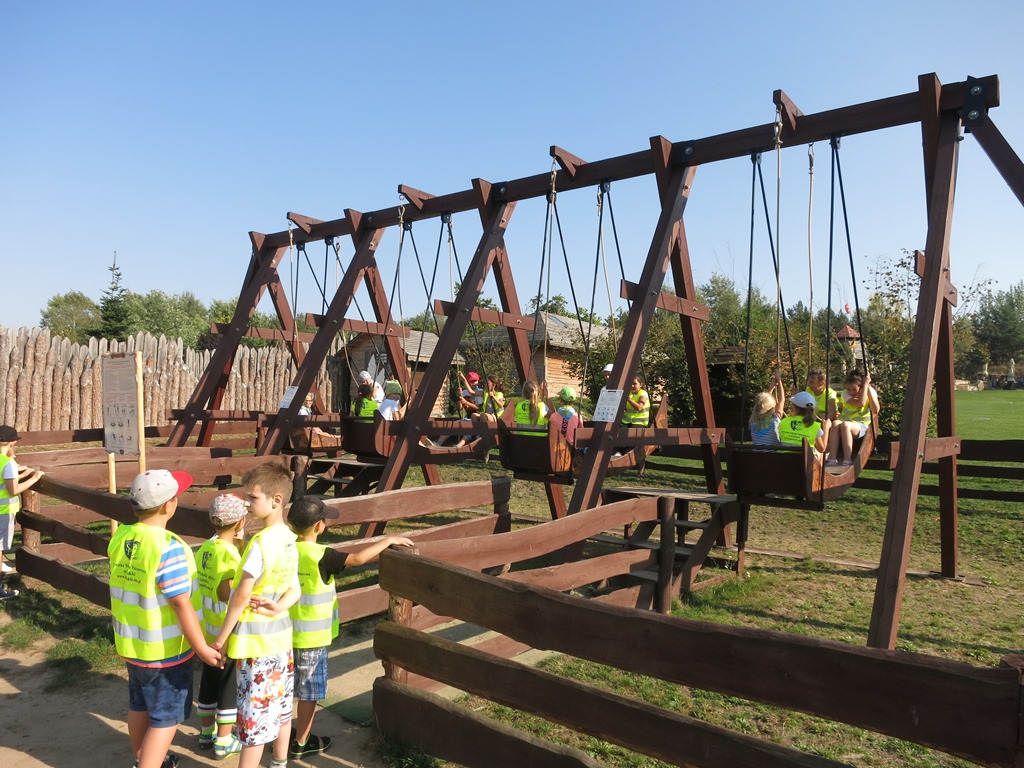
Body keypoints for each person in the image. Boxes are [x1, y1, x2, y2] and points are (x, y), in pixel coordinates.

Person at [108, 469, 221, 768]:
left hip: (132, 645)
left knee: (139, 704)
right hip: (165, 652)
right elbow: (180, 603)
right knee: (166, 719)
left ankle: (142, 758)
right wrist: (201, 647)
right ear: (169, 505)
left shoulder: (121, 537)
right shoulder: (168, 547)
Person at [285, 496, 413, 759]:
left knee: (285, 688)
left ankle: (281, 738)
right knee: (308, 692)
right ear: (319, 526)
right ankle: (301, 741)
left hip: (283, 635)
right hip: (312, 639)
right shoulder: (322, 555)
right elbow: (357, 559)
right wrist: (387, 540)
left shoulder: (285, 550)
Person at [214, 463, 301, 768]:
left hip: (255, 648)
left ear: (276, 500)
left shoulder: (259, 543)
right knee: (280, 710)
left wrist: (221, 639)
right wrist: (278, 607)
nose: (247, 504)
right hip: (281, 642)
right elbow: (295, 590)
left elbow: (240, 595)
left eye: (252, 498)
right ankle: (279, 762)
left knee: (254, 722)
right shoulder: (289, 538)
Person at [193, 494, 247, 758]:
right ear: (240, 523)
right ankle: (224, 740)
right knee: (228, 685)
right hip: (226, 633)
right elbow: (226, 593)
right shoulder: (229, 553)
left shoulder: (206, 547)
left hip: (206, 630)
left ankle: (206, 732)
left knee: (208, 682)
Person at [0, 425, 43, 593]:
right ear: (12, 443)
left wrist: (20, 473)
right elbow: (13, 490)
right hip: (4, 512)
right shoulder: (8, 463)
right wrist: (34, 478)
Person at [826, 369, 880, 466]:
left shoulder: (869, 391)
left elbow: (876, 410)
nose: (851, 392)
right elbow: (860, 403)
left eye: (854, 389)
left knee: (845, 425)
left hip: (861, 424)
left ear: (861, 387)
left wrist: (867, 388)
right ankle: (832, 458)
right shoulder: (845, 394)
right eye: (848, 389)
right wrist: (864, 386)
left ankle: (847, 459)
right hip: (845, 420)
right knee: (835, 423)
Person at [778, 391, 826, 458]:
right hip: (804, 462)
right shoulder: (815, 426)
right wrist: (826, 428)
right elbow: (822, 449)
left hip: (783, 460)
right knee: (818, 454)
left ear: (795, 408)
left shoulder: (783, 422)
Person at [749, 373, 785, 447]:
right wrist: (779, 380)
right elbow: (781, 400)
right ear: (771, 407)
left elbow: (763, 401)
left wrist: (771, 387)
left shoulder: (753, 420)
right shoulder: (775, 419)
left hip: (756, 454)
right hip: (773, 454)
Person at [805, 369, 838, 449]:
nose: (809, 384)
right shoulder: (808, 390)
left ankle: (823, 446)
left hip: (826, 419)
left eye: (812, 382)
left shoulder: (829, 393)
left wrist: (824, 418)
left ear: (821, 383)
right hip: (814, 418)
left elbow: (833, 412)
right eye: (809, 381)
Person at [453, 371, 483, 448]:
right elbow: (460, 408)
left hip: (476, 418)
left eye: (475, 381)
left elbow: (479, 408)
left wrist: (466, 402)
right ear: (468, 382)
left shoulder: (480, 392)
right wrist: (459, 397)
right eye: (472, 381)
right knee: (451, 425)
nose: (474, 383)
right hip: (467, 417)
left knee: (469, 428)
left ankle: (459, 445)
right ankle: (438, 443)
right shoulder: (464, 392)